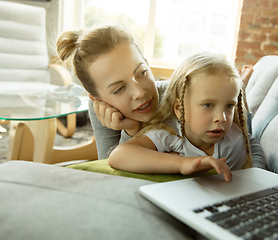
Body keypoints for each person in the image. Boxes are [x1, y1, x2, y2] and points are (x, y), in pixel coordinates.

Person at [52, 25, 266, 174]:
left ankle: (243, 79)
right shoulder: (103, 112)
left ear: (147, 63)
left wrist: (258, 178)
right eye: (119, 89)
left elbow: (247, 139)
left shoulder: (183, 93)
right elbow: (113, 171)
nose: (140, 92)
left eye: (142, 73)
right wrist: (131, 131)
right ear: (97, 98)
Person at [108, 52, 252, 182]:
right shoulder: (170, 135)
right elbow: (119, 155)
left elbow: (251, 147)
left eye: (229, 106)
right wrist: (182, 163)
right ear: (179, 108)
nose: (222, 118)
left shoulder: (236, 137)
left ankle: (243, 81)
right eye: (208, 105)